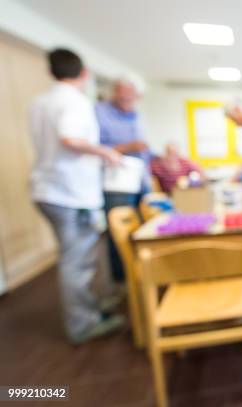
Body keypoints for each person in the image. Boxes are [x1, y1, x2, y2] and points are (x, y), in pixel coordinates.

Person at [30, 48, 125, 344]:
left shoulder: (40, 102)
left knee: (76, 257)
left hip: (47, 189)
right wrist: (105, 151)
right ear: (83, 74)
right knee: (77, 261)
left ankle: (89, 307)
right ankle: (83, 323)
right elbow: (69, 138)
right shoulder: (74, 101)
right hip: (69, 192)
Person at [96, 78, 149, 281]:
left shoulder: (136, 115)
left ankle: (144, 276)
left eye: (131, 93)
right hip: (117, 183)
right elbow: (96, 148)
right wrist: (128, 147)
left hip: (139, 181)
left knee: (142, 231)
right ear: (114, 92)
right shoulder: (100, 112)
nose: (127, 96)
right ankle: (124, 281)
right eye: (122, 91)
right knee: (119, 237)